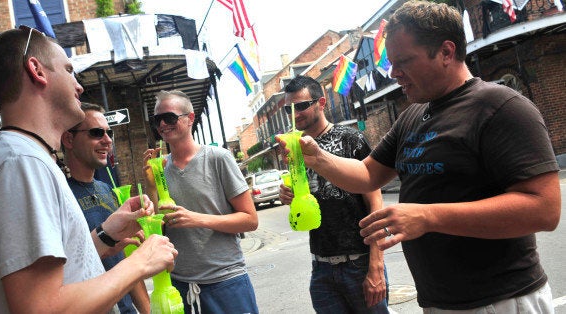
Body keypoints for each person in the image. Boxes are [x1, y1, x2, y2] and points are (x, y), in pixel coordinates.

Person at [276, 2, 560, 312]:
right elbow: (368, 175)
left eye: (404, 61)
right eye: (391, 63)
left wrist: (427, 216)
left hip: (500, 300)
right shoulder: (412, 116)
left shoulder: (501, 107)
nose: (394, 73)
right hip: (440, 301)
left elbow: (544, 209)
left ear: (446, 52)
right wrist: (317, 158)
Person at [0, 26, 177, 313]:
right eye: (68, 70)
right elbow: (41, 307)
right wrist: (141, 262)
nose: (78, 86)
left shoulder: (28, 157)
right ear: (36, 70)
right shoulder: (20, 164)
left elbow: (63, 273)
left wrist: (106, 234)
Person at [278, 75, 388, 313]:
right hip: (321, 268)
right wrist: (290, 196)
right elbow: (309, 202)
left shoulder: (351, 138)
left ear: (321, 102)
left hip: (359, 262)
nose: (295, 114)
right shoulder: (295, 148)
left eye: (301, 106)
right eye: (289, 108)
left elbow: (375, 201)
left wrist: (376, 265)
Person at [143, 90, 259, 314]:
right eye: (157, 120)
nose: (163, 125)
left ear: (190, 118)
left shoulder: (217, 158)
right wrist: (150, 186)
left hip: (226, 281)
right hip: (180, 285)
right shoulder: (159, 170)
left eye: (170, 117)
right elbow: (157, 230)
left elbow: (250, 219)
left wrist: (195, 219)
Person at [62, 103, 151, 313]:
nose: (108, 140)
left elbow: (124, 260)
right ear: (68, 139)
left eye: (109, 132)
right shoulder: (59, 195)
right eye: (96, 133)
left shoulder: (106, 189)